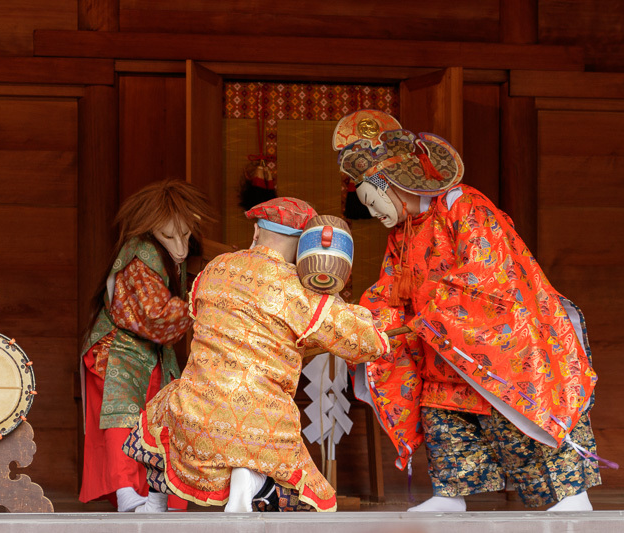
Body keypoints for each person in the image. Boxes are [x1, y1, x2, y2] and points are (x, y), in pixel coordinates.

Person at [333, 110, 606, 512]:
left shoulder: (464, 206)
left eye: (375, 203)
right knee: (445, 417)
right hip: (440, 346)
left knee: (519, 412)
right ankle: (450, 493)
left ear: (392, 185)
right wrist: (366, 323)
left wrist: (431, 318)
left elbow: (487, 271)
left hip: (499, 340)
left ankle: (569, 495)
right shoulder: (403, 233)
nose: (375, 214)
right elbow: (390, 288)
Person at [122, 197, 391, 512]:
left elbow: (196, 312)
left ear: (255, 233)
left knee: (159, 419)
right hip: (263, 422)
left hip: (196, 413)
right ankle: (257, 483)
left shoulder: (216, 268)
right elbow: (362, 343)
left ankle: (155, 503)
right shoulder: (301, 291)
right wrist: (378, 331)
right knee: (308, 499)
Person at [79, 179, 212, 512]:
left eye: (185, 234)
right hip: (118, 350)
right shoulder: (140, 252)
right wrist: (206, 306)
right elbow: (155, 315)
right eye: (170, 236)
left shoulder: (168, 254)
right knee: (123, 414)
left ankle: (155, 494)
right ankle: (128, 492)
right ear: (151, 229)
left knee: (160, 417)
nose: (180, 246)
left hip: (150, 353)